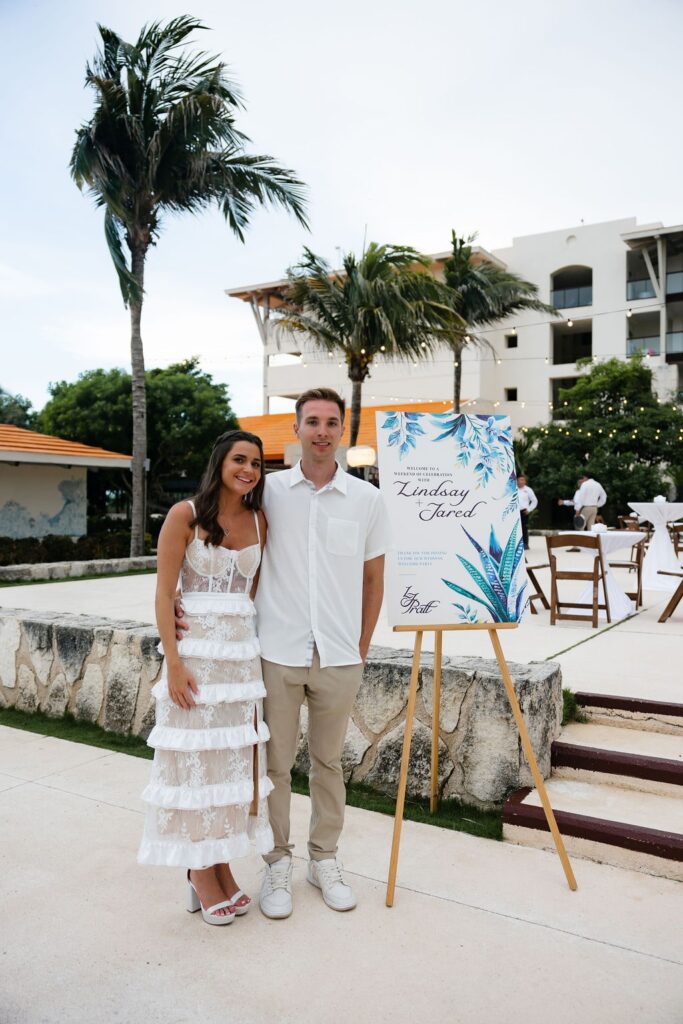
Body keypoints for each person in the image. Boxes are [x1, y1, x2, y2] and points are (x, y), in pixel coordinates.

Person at [255, 387, 388, 918]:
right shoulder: (265, 491)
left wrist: (360, 644)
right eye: (312, 421)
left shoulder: (367, 500)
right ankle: (276, 863)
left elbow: (373, 578)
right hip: (278, 650)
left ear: (342, 431)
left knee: (328, 763)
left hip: (338, 655)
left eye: (332, 422)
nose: (322, 431)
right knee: (276, 766)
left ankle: (324, 859)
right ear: (297, 429)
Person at [138, 430, 273, 926]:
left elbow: (250, 594)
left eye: (257, 463)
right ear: (220, 461)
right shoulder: (185, 516)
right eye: (240, 460)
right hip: (194, 659)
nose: (249, 470)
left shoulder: (260, 519)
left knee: (229, 769)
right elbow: (163, 593)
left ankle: (220, 863)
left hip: (241, 663)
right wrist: (173, 663)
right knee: (196, 762)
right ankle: (198, 871)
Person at [516, 473, 537, 550]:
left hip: (523, 511)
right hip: (514, 512)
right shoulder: (513, 488)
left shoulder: (528, 490)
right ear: (517, 480)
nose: (523, 481)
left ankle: (525, 543)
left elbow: (534, 501)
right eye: (521, 479)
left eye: (524, 480)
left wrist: (529, 509)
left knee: (524, 528)